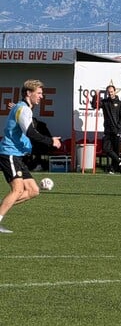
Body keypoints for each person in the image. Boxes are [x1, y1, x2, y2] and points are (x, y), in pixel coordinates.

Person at [0, 80, 62, 234]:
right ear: (29, 93)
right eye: (39, 93)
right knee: (18, 190)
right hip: (10, 153)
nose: (42, 96)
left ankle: (2, 208)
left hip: (18, 156)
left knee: (34, 190)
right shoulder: (23, 109)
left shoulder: (23, 108)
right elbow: (30, 132)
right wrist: (51, 141)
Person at [98, 84, 121, 174]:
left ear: (115, 92)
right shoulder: (105, 102)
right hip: (107, 130)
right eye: (108, 92)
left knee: (116, 150)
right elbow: (96, 105)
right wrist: (96, 96)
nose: (110, 93)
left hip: (117, 131)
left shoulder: (119, 103)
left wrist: (118, 126)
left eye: (111, 91)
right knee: (106, 148)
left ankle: (113, 169)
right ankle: (120, 161)